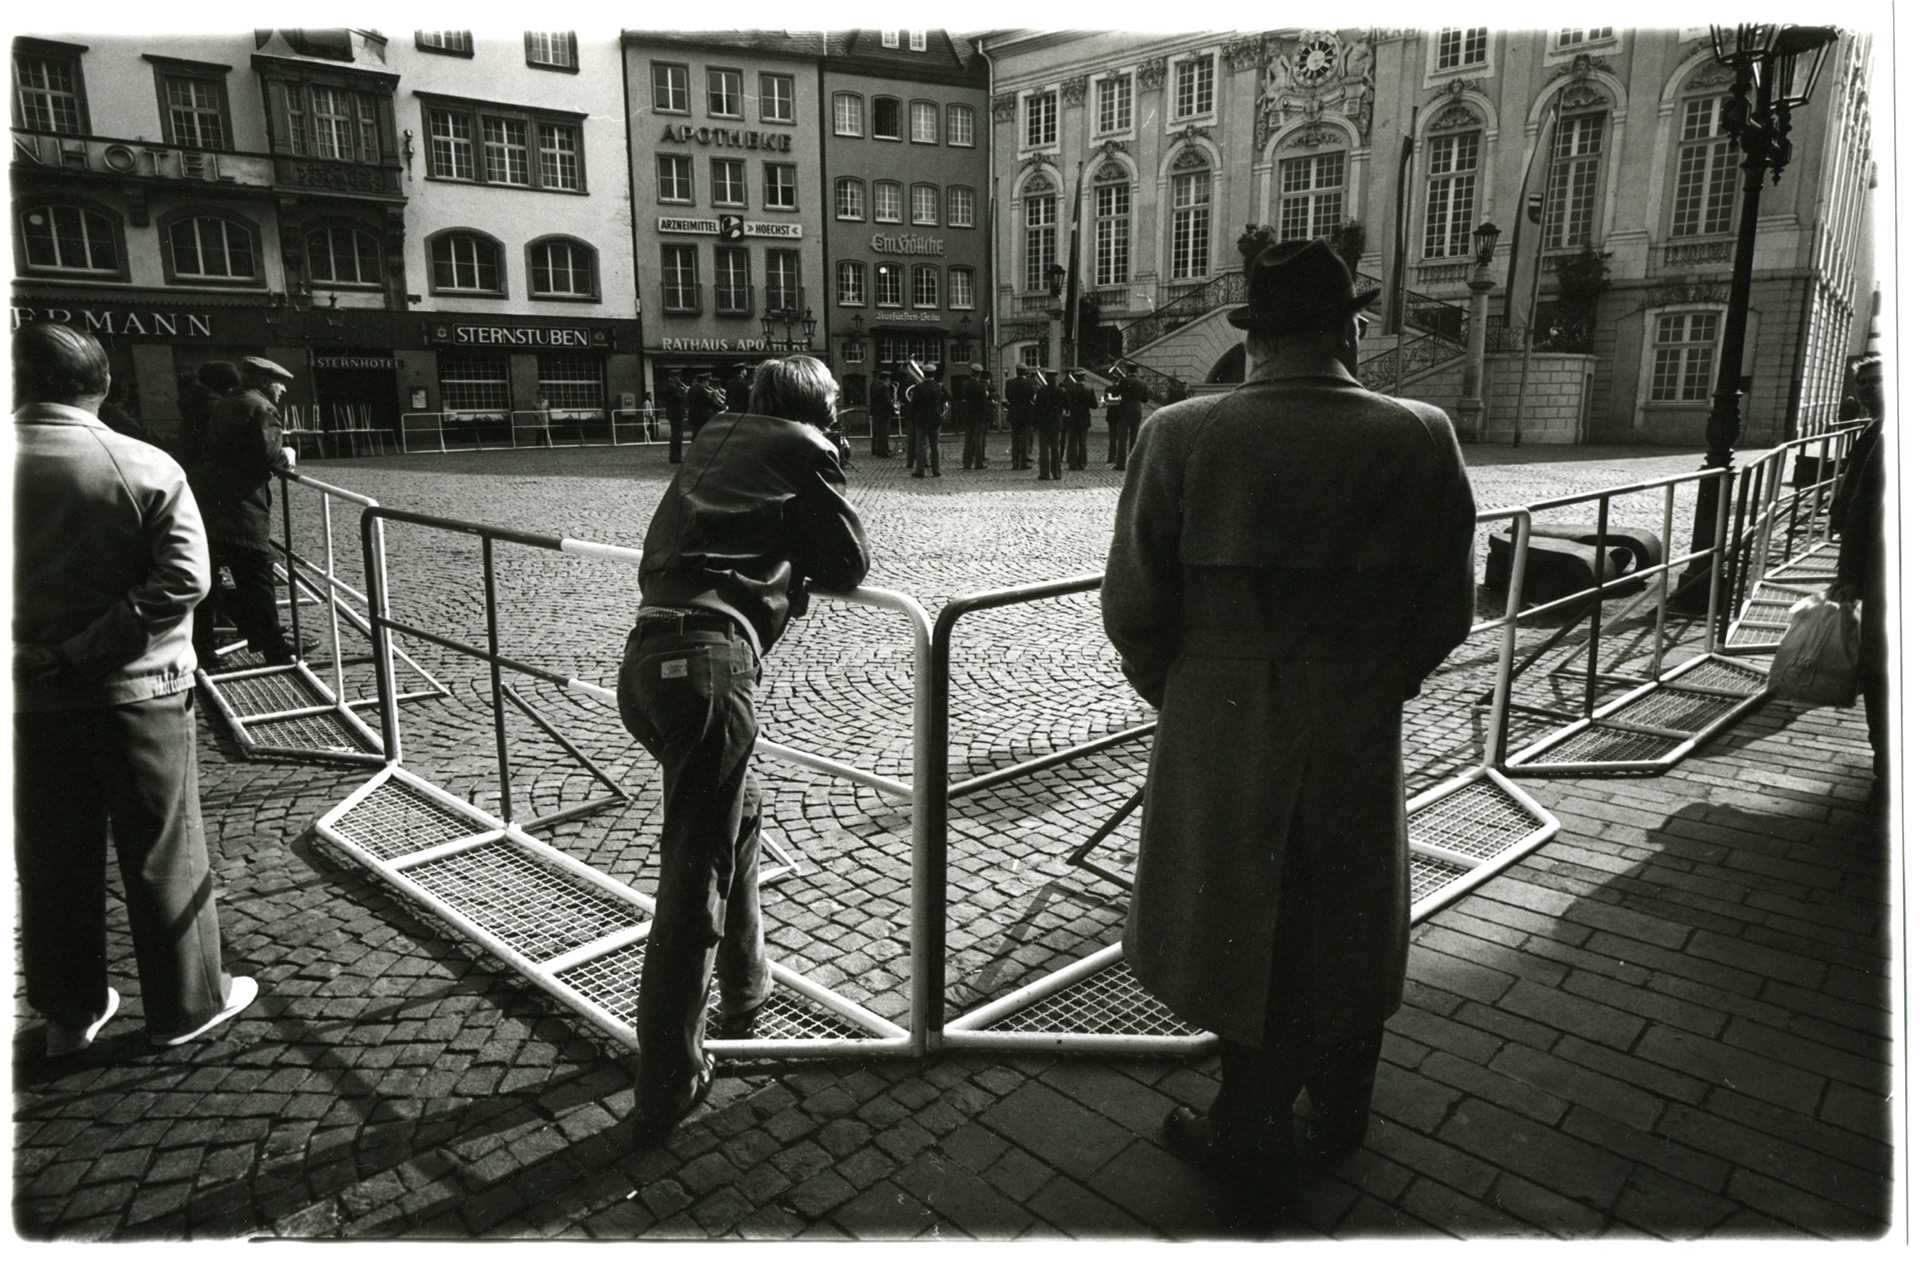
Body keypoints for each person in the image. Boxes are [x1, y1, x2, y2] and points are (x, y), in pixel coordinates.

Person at [1101, 240, 1476, 1205]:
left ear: (1256, 339)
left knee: (1238, 913)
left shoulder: (1181, 434)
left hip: (1220, 712)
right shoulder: (1420, 434)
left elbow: (1134, 608)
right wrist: (1378, 679)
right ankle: (1343, 1103)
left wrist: (1189, 693)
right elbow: (1448, 607)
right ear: (1351, 330)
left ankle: (1250, 1121)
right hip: (1355, 709)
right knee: (1347, 903)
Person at [617, 354, 869, 1144]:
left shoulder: (713, 438)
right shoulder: (804, 445)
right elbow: (851, 560)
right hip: (708, 670)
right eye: (835, 401)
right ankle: (668, 1079)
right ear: (814, 405)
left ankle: (747, 988)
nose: (840, 413)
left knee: (739, 818)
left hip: (646, 659)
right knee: (694, 877)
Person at [12, 322, 258, 1058]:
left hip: (25, 697)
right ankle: (186, 1003)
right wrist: (83, 654)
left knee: (50, 855)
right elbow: (184, 579)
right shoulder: (141, 462)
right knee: (162, 846)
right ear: (104, 383)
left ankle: (68, 1012)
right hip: (135, 690)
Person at [190, 355, 302, 668]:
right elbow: (270, 457)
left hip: (209, 501)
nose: (283, 390)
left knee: (210, 577)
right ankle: (274, 647)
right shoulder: (261, 407)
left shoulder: (228, 401)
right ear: (265, 381)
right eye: (280, 383)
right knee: (257, 572)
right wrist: (288, 455)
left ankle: (203, 649)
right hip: (240, 504)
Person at [1830, 352, 1886, 784]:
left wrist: (1849, 574)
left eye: (1876, 381)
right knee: (1878, 665)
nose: (1866, 389)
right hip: (1877, 570)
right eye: (1861, 383)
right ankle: (1885, 760)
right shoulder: (1874, 429)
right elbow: (1856, 501)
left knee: (1881, 666)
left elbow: (1864, 506)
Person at [907, 362, 950, 479]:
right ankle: (936, 470)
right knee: (935, 446)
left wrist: (913, 417)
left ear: (924, 374)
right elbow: (949, 397)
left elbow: (913, 406)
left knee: (921, 445)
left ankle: (920, 471)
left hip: (921, 420)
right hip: (935, 419)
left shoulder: (918, 388)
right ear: (933, 374)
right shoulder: (939, 386)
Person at [1107, 362, 1148, 471]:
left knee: (1122, 438)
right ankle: (1134, 464)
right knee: (1134, 438)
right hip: (1137, 411)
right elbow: (1145, 399)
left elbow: (1115, 394)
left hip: (1124, 411)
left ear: (1127, 370)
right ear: (1136, 371)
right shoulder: (1142, 382)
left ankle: (1121, 464)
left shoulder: (1124, 381)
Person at [957, 363, 994, 470]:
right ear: (979, 374)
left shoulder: (965, 384)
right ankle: (978, 462)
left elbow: (962, 398)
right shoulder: (980, 386)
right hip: (979, 415)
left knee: (968, 439)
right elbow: (983, 402)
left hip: (968, 415)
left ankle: (966, 462)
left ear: (971, 372)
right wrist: (992, 404)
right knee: (978, 439)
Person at [1031, 369, 1066, 481]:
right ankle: (1056, 473)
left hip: (1044, 423)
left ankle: (1044, 473)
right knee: (1055, 449)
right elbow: (1067, 405)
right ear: (1056, 379)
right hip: (1056, 423)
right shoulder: (1061, 391)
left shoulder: (1041, 391)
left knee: (1044, 449)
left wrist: (1035, 423)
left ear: (1046, 378)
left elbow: (1036, 408)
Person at [1064, 369, 1097, 470]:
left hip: (1072, 419)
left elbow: (1065, 405)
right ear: (1084, 378)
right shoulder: (1089, 390)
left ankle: (1073, 463)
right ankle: (1082, 463)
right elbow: (1094, 405)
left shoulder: (1069, 390)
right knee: (1083, 442)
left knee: (1072, 442)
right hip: (1084, 419)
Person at [1005, 366, 1035, 470]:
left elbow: (1007, 396)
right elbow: (1032, 397)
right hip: (1026, 414)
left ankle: (1015, 462)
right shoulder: (1029, 383)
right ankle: (1023, 462)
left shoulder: (1009, 383)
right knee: (1024, 439)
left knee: (1014, 438)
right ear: (1025, 372)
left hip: (1014, 413)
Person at [869, 371, 898, 459]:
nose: (889, 381)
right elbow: (887, 401)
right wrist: (894, 408)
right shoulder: (884, 388)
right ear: (886, 379)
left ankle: (880, 450)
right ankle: (884, 452)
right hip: (884, 413)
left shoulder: (876, 386)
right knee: (884, 433)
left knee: (879, 433)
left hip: (877, 412)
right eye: (888, 379)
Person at [661, 372, 688, 462]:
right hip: (676, 413)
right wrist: (685, 392)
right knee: (677, 435)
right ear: (673, 377)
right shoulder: (671, 387)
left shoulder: (671, 386)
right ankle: (675, 457)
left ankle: (676, 456)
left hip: (674, 413)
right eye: (677, 377)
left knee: (677, 435)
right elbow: (679, 399)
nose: (679, 379)